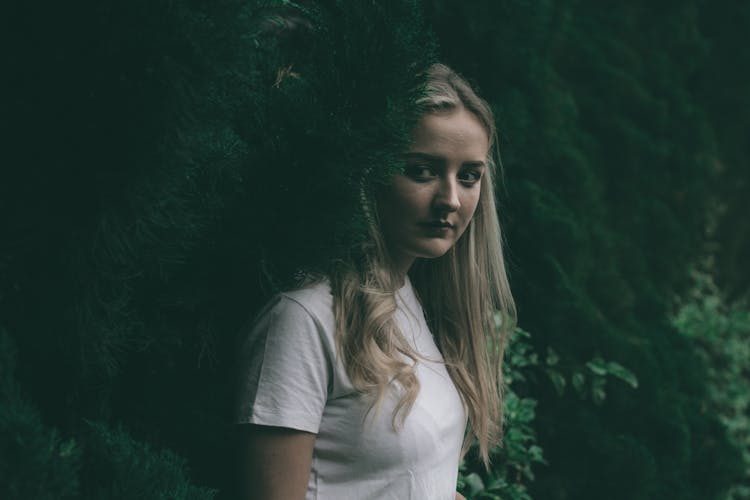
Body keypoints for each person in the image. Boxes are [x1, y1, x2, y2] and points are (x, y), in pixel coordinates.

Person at [235, 63, 516, 500]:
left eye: (468, 176)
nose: (450, 199)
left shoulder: (407, 299)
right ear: (370, 172)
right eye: (422, 170)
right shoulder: (302, 321)